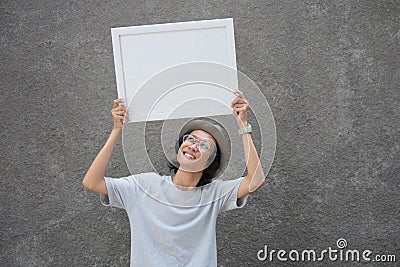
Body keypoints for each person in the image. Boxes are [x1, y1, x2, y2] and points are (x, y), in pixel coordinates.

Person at [82, 90, 266, 266]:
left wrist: (243, 126)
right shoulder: (145, 185)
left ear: (211, 162)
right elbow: (92, 182)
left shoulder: (214, 194)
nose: (193, 146)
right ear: (180, 146)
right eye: (190, 139)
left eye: (204, 145)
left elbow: (256, 181)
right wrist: (116, 130)